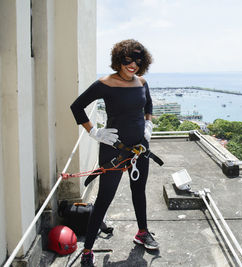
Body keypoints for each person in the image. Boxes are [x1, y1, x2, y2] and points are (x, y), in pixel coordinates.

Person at [70, 39, 158, 267]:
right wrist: (94, 133)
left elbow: (148, 105)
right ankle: (88, 249)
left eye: (138, 61)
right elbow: (76, 107)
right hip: (114, 149)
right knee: (104, 198)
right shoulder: (105, 83)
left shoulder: (142, 82)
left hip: (140, 149)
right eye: (128, 60)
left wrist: (148, 125)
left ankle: (142, 232)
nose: (133, 65)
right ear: (119, 59)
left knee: (139, 191)